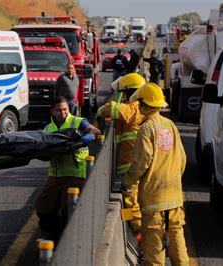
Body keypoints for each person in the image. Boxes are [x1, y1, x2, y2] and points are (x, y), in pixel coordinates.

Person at [122, 83, 189, 265]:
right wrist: (173, 179)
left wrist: (126, 182)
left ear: (144, 104)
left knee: (154, 253)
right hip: (174, 197)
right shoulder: (170, 125)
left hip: (154, 201)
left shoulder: (146, 128)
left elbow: (140, 163)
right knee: (178, 245)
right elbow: (182, 159)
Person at [35, 96, 100, 243]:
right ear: (52, 111)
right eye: (58, 110)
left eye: (65, 109)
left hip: (75, 174)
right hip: (56, 175)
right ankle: (51, 236)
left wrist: (89, 135)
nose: (62, 112)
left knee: (68, 209)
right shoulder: (48, 129)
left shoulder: (77, 121)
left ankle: (66, 242)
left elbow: (94, 129)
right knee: (43, 207)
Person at [97, 73, 145, 240]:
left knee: (131, 204)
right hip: (137, 166)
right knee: (135, 203)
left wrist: (102, 110)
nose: (122, 97)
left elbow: (111, 109)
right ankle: (137, 238)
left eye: (123, 94)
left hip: (131, 168)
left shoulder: (133, 108)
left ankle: (141, 240)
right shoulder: (142, 109)